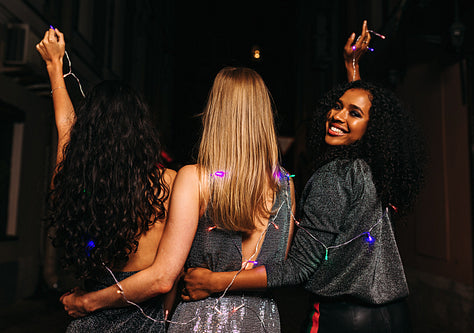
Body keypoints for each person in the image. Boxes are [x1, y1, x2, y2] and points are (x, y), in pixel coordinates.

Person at [180, 33, 426, 333]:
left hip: (342, 320)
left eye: (353, 113)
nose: (336, 115)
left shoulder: (333, 176)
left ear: (372, 128)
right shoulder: (375, 169)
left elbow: (298, 268)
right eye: (336, 106)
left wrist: (213, 281)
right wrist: (351, 67)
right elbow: (368, 117)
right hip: (394, 317)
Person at [60, 66, 297, 332]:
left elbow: (163, 276)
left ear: (215, 114)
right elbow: (277, 271)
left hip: (198, 322)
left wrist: (87, 302)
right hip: (261, 323)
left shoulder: (195, 178)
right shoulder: (284, 184)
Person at [37, 27, 176, 332]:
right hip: (145, 317)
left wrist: (55, 67)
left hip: (89, 316)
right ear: (141, 130)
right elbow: (169, 274)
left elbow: (64, 127)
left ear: (88, 131)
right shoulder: (169, 183)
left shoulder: (75, 177)